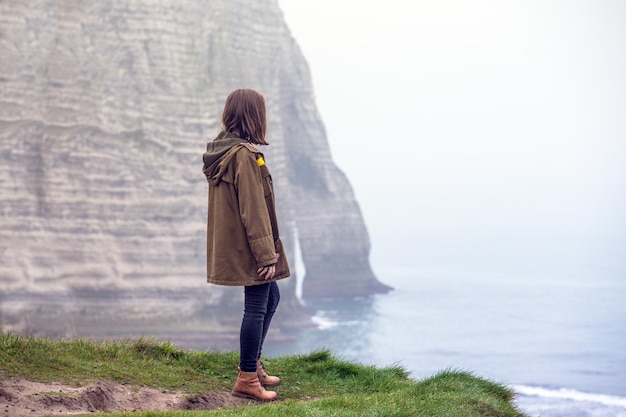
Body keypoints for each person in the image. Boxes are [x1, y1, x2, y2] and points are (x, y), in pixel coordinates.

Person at [202, 88, 290, 401]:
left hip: (239, 244)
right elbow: (253, 210)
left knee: (271, 298)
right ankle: (247, 378)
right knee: (257, 305)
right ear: (255, 117)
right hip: (251, 247)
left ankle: (252, 365)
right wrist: (266, 255)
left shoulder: (223, 151)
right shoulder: (243, 156)